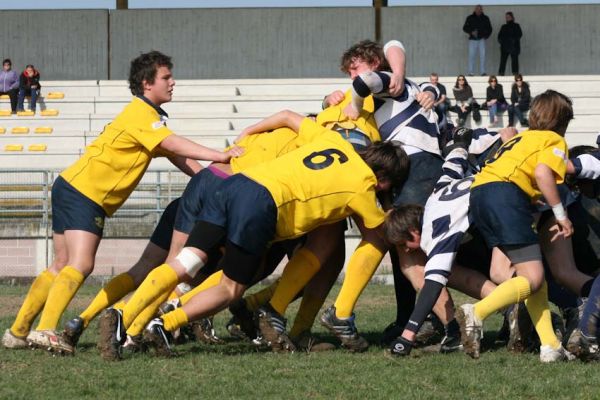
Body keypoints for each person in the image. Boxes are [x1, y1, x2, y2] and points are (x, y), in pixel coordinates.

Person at [1, 51, 241, 353]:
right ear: (146, 83)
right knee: (81, 262)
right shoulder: (142, 115)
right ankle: (46, 329)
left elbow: (178, 155)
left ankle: (19, 330)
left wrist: (212, 180)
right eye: (166, 77)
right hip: (87, 192)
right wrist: (220, 155)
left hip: (70, 184)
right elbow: (172, 144)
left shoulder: (146, 118)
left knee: (60, 263)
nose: (172, 82)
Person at [132, 115, 405, 357]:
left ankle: (129, 320)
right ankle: (166, 324)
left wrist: (250, 129)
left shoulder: (332, 140)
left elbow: (287, 116)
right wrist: (392, 209)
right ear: (383, 180)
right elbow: (381, 233)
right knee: (231, 288)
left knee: (185, 262)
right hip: (262, 204)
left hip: (235, 183)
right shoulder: (364, 186)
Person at [457, 89, 575, 362]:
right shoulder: (553, 139)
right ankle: (478, 313)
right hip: (505, 195)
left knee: (533, 275)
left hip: (480, 194)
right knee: (532, 279)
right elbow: (543, 173)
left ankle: (550, 345)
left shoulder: (523, 137)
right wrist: (560, 214)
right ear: (563, 121)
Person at [463, 4, 492, 76]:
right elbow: (465, 28)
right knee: (471, 56)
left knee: (483, 56)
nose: (478, 10)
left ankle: (483, 72)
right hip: (472, 40)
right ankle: (470, 72)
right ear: (474, 10)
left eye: (480, 9)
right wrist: (471, 32)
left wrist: (486, 36)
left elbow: (490, 28)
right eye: (477, 9)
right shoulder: (470, 18)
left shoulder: (485, 18)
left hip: (481, 39)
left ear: (482, 10)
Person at [498, 11, 523, 76]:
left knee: (515, 61)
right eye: (506, 17)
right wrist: (503, 42)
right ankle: (501, 74)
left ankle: (515, 74)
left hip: (514, 46)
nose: (507, 18)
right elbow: (499, 37)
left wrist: (513, 40)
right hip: (505, 47)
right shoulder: (503, 27)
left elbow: (519, 34)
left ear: (512, 17)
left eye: (508, 17)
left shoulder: (516, 26)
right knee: (503, 61)